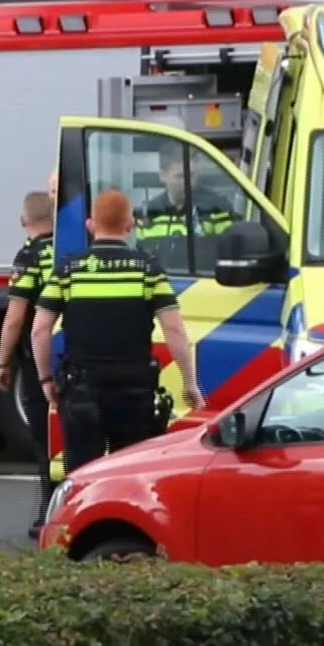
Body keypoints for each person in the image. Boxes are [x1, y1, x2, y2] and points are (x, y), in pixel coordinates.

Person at [30, 189, 204, 475]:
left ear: (90, 224)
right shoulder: (147, 270)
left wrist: (45, 379)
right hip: (134, 394)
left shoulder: (68, 271)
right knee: (131, 478)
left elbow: (39, 330)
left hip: (82, 391)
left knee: (83, 479)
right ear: (130, 224)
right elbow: (173, 328)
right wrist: (189, 382)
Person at [0, 189, 55, 542]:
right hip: (72, 355)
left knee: (44, 437)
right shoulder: (68, 251)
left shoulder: (29, 256)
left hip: (39, 361)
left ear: (23, 220)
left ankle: (47, 510)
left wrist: (2, 361)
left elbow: (16, 317)